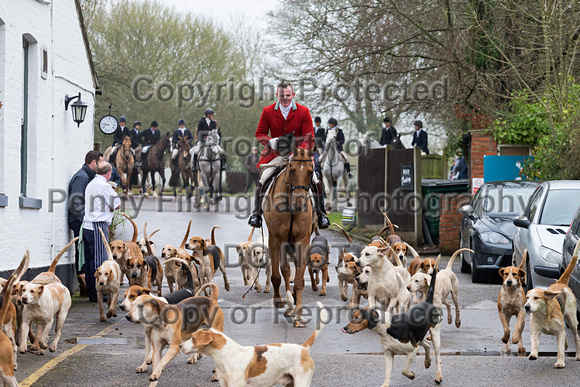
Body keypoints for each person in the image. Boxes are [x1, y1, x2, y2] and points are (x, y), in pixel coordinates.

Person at [248, 81, 330, 229]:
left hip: (299, 155)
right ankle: (257, 214)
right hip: (276, 154)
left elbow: (309, 136)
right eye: (282, 95)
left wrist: (299, 153)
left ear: (293, 94)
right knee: (263, 178)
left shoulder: (303, 111)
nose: (285, 98)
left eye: (287, 95)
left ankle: (321, 214)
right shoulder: (267, 111)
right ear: (277, 95)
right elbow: (259, 134)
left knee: (316, 180)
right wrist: (270, 142)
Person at [82, 161, 121, 302]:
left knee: (90, 260)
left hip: (87, 225)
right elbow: (117, 204)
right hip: (98, 225)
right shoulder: (104, 186)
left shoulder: (91, 183)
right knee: (100, 261)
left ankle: (92, 292)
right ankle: (100, 293)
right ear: (109, 173)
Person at [67, 150, 103, 296]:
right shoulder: (82, 177)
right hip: (80, 222)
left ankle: (87, 288)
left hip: (83, 221)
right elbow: (76, 203)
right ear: (94, 163)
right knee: (84, 255)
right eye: (100, 163)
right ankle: (86, 288)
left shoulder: (86, 176)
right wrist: (85, 221)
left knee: (86, 255)